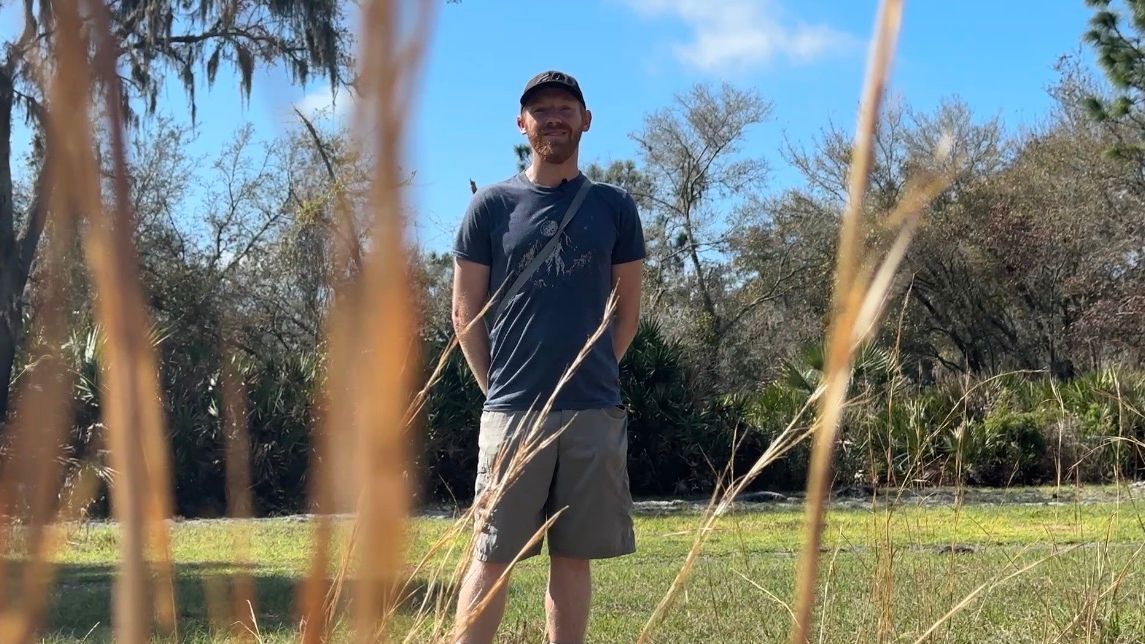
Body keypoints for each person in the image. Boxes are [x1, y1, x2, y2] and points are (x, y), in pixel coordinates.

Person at [449, 69, 645, 644]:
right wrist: (501, 388)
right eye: (541, 111)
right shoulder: (489, 206)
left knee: (573, 557)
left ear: (586, 120)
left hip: (592, 411)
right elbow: (465, 314)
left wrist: (595, 372)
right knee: (491, 556)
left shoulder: (615, 207)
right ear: (522, 124)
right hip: (511, 411)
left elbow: (627, 310)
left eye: (565, 108)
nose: (553, 118)